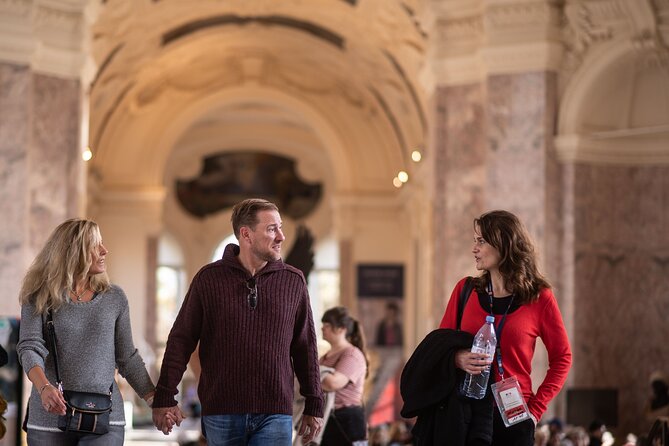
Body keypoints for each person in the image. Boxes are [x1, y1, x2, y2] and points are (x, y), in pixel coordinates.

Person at [152, 198, 324, 445]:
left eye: (281, 227)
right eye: (272, 229)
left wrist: (314, 403)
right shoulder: (208, 279)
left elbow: (305, 346)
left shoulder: (293, 281)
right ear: (246, 234)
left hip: (275, 412)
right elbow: (181, 339)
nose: (281, 237)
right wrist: (165, 396)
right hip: (221, 411)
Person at [16, 219, 155, 445]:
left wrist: (153, 399)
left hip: (105, 418)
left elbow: (127, 357)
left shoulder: (114, 298)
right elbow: (29, 347)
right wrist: (44, 388)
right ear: (73, 252)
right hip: (50, 419)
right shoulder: (39, 296)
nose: (104, 250)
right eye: (95, 245)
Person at [439, 210, 572, 446]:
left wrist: (535, 411)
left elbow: (563, 358)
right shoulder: (465, 291)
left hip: (515, 416)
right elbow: (439, 347)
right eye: (474, 240)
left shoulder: (539, 297)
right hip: (465, 413)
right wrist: (458, 358)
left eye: (481, 241)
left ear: (504, 244)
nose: (474, 248)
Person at [319, 306, 369, 445]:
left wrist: (313, 373)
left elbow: (332, 383)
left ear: (341, 329)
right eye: (323, 325)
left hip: (346, 421)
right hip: (329, 420)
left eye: (327, 325)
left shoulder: (351, 354)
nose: (323, 328)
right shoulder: (324, 357)